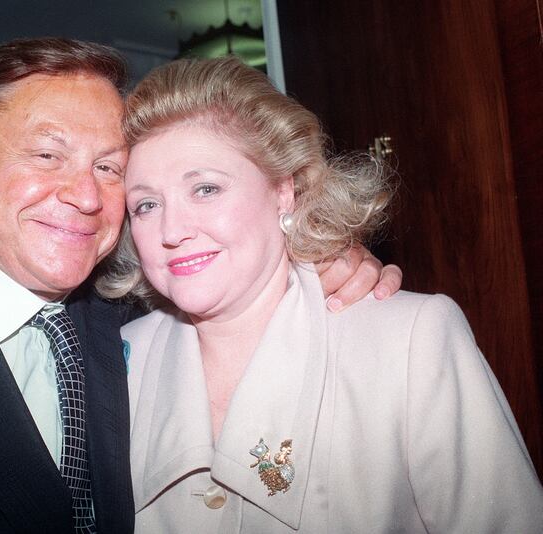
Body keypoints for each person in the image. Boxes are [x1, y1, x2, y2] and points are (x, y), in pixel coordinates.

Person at [0, 39, 399, 533]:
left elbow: (241, 275)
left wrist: (322, 255)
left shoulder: (131, 325)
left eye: (109, 166)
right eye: (46, 155)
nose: (84, 195)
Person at [112, 56, 543, 533]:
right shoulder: (115, 363)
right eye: (147, 205)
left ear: (283, 191)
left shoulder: (412, 339)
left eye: (206, 189)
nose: (172, 230)